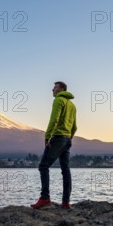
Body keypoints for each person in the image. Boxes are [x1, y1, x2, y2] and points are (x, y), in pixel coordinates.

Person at [31, 81, 77, 209]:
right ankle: (66, 202)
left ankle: (45, 198)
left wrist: (47, 137)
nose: (52, 90)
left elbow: (54, 119)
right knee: (65, 169)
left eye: (55, 87)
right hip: (67, 139)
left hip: (58, 138)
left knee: (43, 166)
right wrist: (69, 137)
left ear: (61, 89)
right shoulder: (72, 105)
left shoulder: (58, 100)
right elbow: (75, 126)